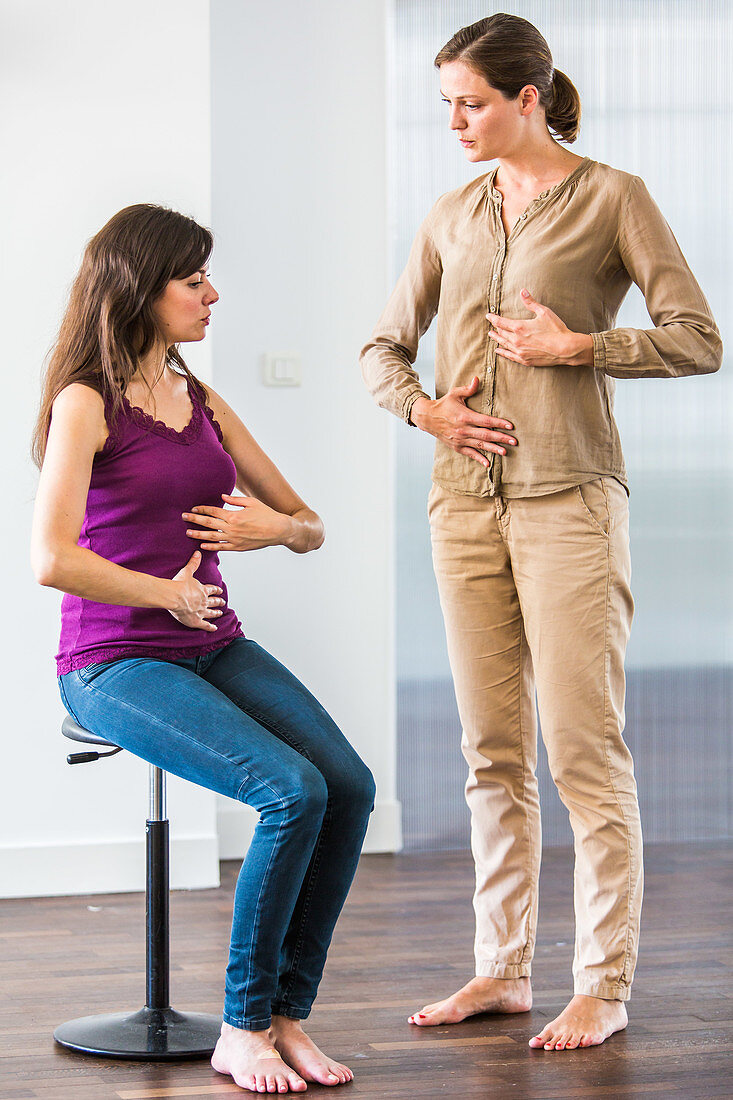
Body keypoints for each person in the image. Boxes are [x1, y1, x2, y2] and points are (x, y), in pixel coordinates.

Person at [361, 13, 721, 1052]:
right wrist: (425, 408)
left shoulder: (615, 197)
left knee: (582, 747)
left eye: (472, 103)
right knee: (490, 748)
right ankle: (500, 966)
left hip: (570, 499)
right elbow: (381, 348)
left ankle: (601, 980)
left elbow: (699, 338)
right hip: (460, 504)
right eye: (445, 106)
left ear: (528, 97)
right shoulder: (448, 212)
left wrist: (580, 345)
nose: (456, 123)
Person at [31, 203, 375, 1094]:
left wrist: (277, 532)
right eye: (194, 280)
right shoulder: (84, 402)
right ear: (141, 288)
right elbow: (51, 558)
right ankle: (240, 1026)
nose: (211, 294)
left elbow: (309, 524)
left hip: (213, 645)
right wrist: (166, 593)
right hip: (112, 662)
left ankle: (285, 1016)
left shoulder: (202, 400)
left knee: (348, 786)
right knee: (289, 790)